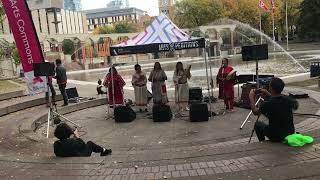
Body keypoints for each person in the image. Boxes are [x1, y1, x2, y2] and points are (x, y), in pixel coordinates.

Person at [249, 77, 299, 142]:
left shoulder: (267, 103)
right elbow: (279, 98)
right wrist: (268, 93)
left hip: (275, 136)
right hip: (290, 133)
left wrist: (251, 98)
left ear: (271, 88)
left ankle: (262, 142)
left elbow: (255, 112)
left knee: (258, 124)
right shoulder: (288, 99)